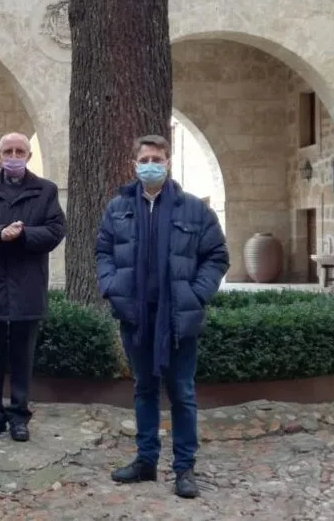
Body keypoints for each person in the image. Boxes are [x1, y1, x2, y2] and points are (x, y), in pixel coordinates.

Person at [95, 134, 229, 498]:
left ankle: (185, 468)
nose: (150, 164)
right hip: (137, 317)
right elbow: (103, 250)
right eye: (145, 159)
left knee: (183, 393)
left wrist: (196, 294)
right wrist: (111, 286)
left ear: (168, 163)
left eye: (158, 158)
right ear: (133, 164)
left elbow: (216, 256)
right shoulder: (117, 208)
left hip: (178, 318)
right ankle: (145, 460)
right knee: (143, 389)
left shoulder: (194, 210)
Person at [0, 132, 66, 442]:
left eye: (20, 150)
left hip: (27, 285)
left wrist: (23, 234)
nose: (14, 155)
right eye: (9, 150)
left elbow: (56, 229)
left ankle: (19, 416)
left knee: (23, 356)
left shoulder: (45, 191)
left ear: (29, 156)